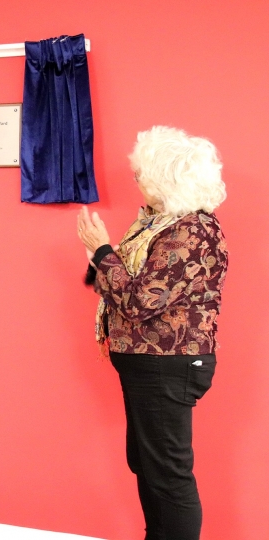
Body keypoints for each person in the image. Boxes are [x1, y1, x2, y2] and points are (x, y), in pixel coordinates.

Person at [77, 126, 227, 540]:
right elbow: (119, 282)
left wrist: (104, 251)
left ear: (167, 178)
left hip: (168, 367)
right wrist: (98, 256)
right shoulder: (157, 225)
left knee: (167, 473)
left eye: (142, 173)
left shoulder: (190, 233)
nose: (136, 180)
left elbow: (141, 301)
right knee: (147, 463)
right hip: (148, 364)